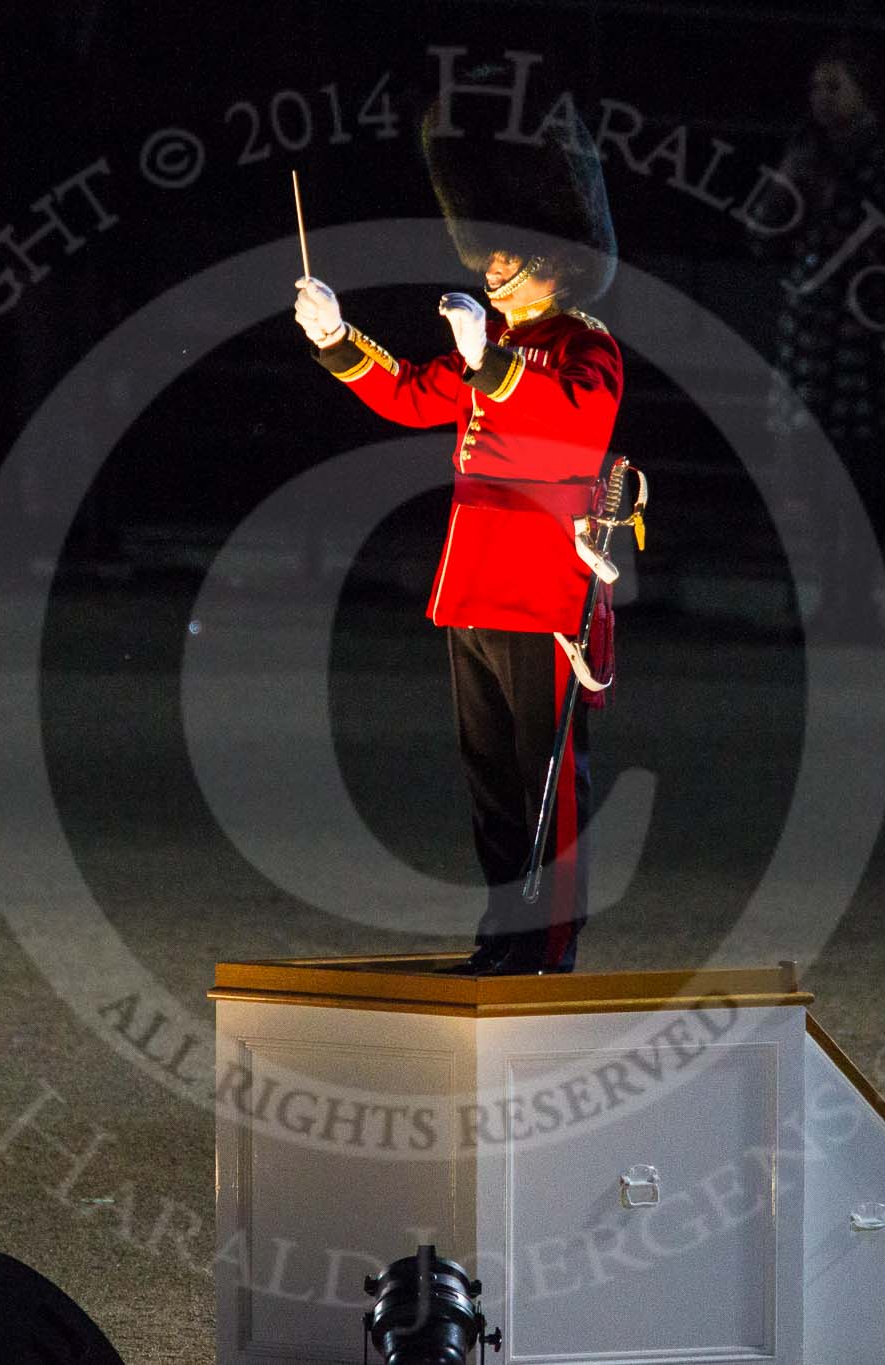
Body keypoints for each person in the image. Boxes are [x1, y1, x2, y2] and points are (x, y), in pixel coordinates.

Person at [292, 99, 623, 976]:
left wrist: (492, 364)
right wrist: (336, 338)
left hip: (543, 586)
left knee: (545, 785)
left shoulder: (586, 348)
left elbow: (568, 428)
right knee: (493, 787)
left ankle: (548, 939)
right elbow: (409, 392)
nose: (493, 271)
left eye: (507, 259)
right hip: (475, 584)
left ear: (552, 262)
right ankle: (505, 930)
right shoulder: (503, 341)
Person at [760, 37, 885, 642]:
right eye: (817, 87)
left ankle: (854, 600)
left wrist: (814, 202)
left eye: (836, 87)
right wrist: (786, 191)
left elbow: (869, 239)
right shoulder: (803, 153)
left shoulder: (878, 159)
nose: (822, 100)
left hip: (858, 335)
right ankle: (825, 600)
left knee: (859, 465)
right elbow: (764, 235)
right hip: (811, 332)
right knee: (808, 470)